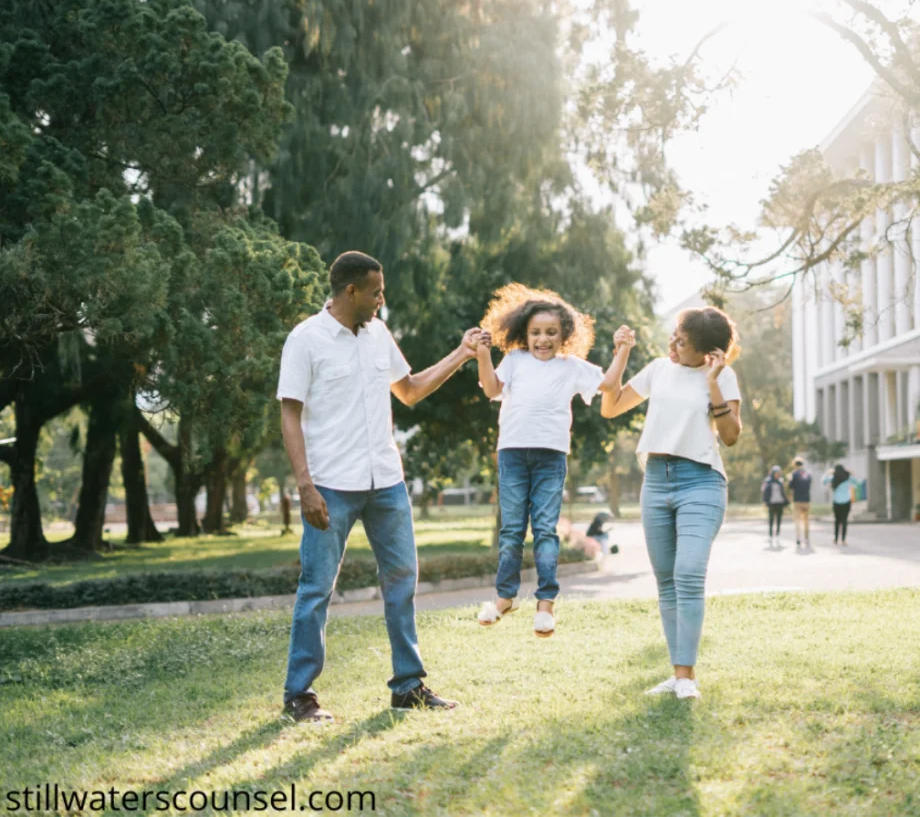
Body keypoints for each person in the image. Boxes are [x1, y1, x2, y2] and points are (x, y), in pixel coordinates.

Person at [277, 250, 481, 722]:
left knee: (402, 581)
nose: (381, 299)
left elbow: (408, 390)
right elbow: (289, 414)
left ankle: (407, 686)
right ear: (351, 291)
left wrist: (462, 353)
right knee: (316, 589)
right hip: (331, 484)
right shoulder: (306, 339)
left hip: (386, 482)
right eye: (375, 291)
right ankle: (299, 694)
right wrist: (305, 486)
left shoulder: (378, 334)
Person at [474, 283, 633, 637]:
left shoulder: (571, 366)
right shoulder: (514, 360)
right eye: (535, 333)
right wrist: (483, 355)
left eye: (551, 333)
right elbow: (491, 389)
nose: (542, 339)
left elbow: (608, 383)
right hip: (513, 453)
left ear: (565, 336)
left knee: (545, 529)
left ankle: (546, 605)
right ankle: (505, 598)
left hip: (551, 456)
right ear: (523, 334)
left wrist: (621, 350)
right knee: (512, 529)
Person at [601, 306, 742, 700]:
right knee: (667, 582)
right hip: (656, 481)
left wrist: (713, 382)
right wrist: (622, 353)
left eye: (683, 342)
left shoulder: (723, 375)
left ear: (708, 353)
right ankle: (679, 675)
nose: (673, 345)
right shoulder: (659, 369)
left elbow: (731, 435)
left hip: (701, 481)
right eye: (675, 336)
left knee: (689, 572)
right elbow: (609, 407)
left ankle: (686, 678)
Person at [823, 463, 858, 545]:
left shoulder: (833, 478)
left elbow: (823, 481)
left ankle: (835, 539)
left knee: (837, 521)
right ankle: (843, 540)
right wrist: (852, 473)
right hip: (846, 501)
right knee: (844, 521)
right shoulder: (848, 477)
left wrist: (828, 473)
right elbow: (856, 482)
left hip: (837, 502)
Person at [788, 456, 813, 547]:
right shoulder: (808, 473)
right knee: (806, 521)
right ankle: (806, 538)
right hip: (807, 500)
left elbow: (790, 486)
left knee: (797, 520)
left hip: (797, 500)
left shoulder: (794, 474)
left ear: (795, 465)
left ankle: (798, 537)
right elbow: (809, 484)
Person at [761, 465, 788, 546]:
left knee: (779, 520)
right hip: (772, 503)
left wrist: (786, 502)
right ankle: (770, 536)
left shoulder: (780, 481)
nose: (777, 475)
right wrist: (765, 501)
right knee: (771, 520)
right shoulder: (768, 481)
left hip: (779, 503)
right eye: (776, 473)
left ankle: (777, 535)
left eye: (778, 473)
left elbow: (783, 493)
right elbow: (764, 492)